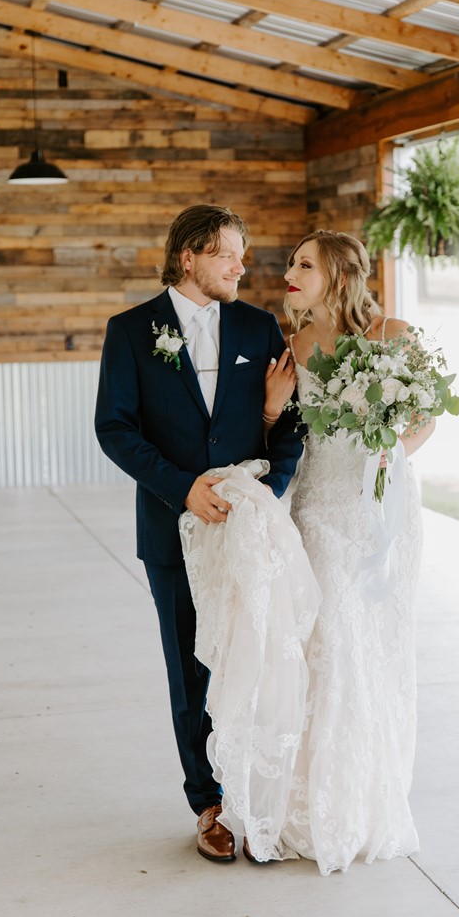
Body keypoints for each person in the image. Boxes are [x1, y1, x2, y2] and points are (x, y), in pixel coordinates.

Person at [94, 204, 303, 864]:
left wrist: (265, 493)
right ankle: (207, 804)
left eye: (241, 254)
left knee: (258, 661)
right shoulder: (132, 331)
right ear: (189, 256)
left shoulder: (257, 325)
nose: (242, 266)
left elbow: (291, 422)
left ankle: (261, 796)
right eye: (227, 255)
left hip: (249, 533)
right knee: (191, 672)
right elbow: (115, 427)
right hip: (171, 529)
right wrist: (181, 486)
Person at [262, 229, 436, 875]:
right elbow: (282, 434)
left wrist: (391, 459)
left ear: (337, 272)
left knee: (379, 648)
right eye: (291, 262)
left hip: (382, 509)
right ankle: (320, 806)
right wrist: (272, 409)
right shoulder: (296, 345)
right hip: (318, 507)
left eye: (303, 263)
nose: (290, 271)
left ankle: (370, 798)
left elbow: (423, 419)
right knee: (331, 642)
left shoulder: (395, 335)